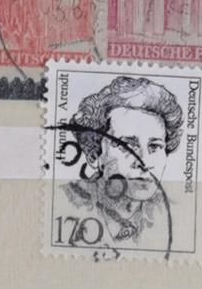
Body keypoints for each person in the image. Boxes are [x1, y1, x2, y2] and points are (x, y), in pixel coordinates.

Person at [55, 72, 185, 249]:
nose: (144, 162)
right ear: (94, 155)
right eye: (127, 146)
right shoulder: (62, 204)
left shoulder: (176, 217)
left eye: (155, 147)